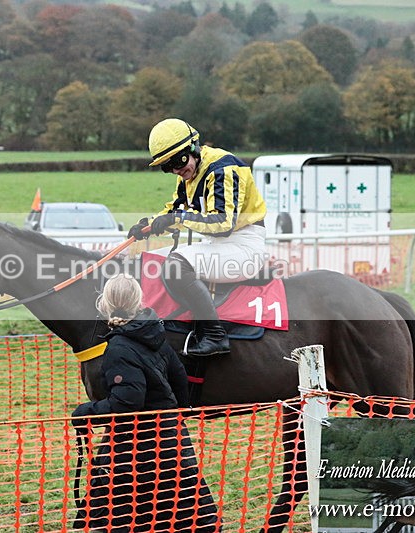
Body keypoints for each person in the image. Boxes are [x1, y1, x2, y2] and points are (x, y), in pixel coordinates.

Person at [71, 274, 219, 532]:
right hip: (172, 441)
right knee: (191, 516)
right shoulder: (155, 336)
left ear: (104, 304)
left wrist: (87, 412)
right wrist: (177, 415)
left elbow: (128, 401)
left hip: (135, 450)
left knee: (114, 519)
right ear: (139, 301)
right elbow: (180, 379)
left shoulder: (118, 348)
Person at [128, 118, 268, 357]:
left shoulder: (223, 168)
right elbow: (176, 208)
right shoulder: (188, 175)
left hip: (244, 245)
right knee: (149, 259)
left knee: (176, 266)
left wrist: (176, 219)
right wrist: (149, 225)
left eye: (177, 161)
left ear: (193, 148)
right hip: (217, 245)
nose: (175, 169)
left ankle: (215, 335)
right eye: (167, 166)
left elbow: (223, 223)